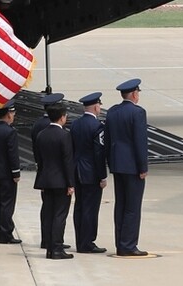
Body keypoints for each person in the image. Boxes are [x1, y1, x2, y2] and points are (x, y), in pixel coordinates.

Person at [106, 78, 149, 257]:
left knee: (121, 205)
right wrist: (143, 166)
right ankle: (128, 244)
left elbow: (107, 140)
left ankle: (120, 242)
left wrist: (110, 161)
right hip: (132, 165)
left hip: (117, 164)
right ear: (134, 94)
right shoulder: (138, 113)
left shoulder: (113, 112)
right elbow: (139, 142)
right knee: (132, 206)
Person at [34, 101, 75, 259]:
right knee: (59, 215)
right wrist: (70, 183)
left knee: (49, 214)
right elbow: (67, 161)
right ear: (62, 118)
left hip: (46, 180)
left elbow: (40, 159)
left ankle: (50, 248)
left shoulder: (42, 134)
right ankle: (57, 248)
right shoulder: (64, 135)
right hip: (60, 181)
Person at [71, 92, 108, 253]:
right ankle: (87, 242)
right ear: (95, 106)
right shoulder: (97, 126)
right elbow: (98, 153)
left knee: (79, 207)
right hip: (91, 173)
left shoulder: (75, 124)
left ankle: (80, 240)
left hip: (77, 171)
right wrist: (102, 176)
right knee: (90, 209)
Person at [0, 99, 22, 245]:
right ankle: (6, 234)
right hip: (7, 174)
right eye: (12, 113)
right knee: (7, 204)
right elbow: (12, 154)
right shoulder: (10, 132)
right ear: (8, 114)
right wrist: (16, 173)